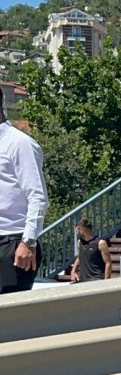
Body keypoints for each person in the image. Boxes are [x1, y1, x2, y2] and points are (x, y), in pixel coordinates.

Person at [0, 98, 47, 295]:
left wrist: (28, 242)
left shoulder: (19, 144)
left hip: (12, 244)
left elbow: (37, 196)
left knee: (7, 317)